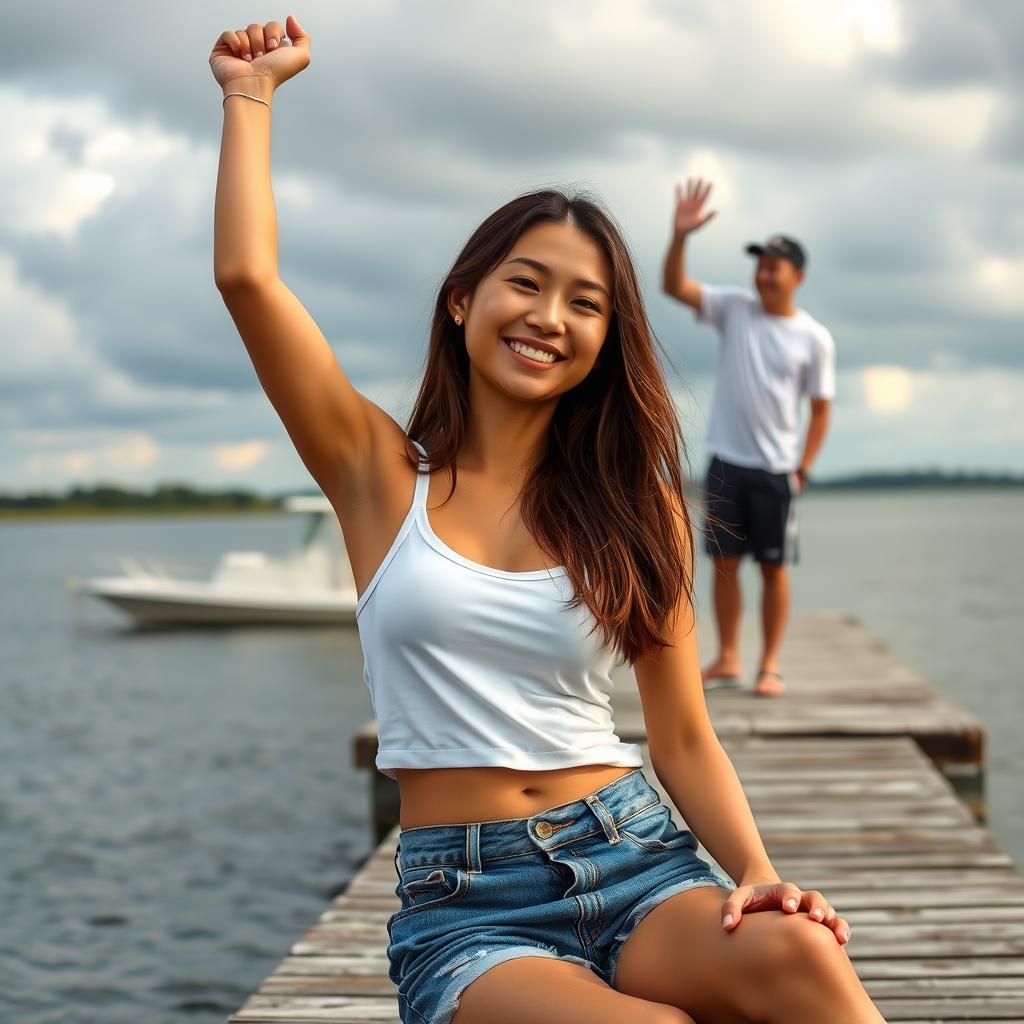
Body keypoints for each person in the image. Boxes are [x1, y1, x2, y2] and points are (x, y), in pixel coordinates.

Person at [209, 20, 882, 1024]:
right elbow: (248, 281)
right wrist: (248, 95)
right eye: (525, 282)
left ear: (606, 340)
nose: (549, 317)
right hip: (468, 905)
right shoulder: (377, 473)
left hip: (636, 856)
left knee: (804, 961)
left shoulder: (635, 504)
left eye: (585, 302)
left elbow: (682, 733)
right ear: (460, 299)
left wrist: (753, 870)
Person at [662, 178, 836, 698]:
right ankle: (729, 657)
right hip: (726, 462)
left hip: (777, 469)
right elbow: (675, 286)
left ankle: (771, 663)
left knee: (774, 568)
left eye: (773, 265)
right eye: (758, 264)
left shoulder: (814, 337)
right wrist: (679, 238)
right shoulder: (735, 308)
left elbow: (821, 411)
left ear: (797, 276)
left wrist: (802, 468)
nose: (762, 273)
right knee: (724, 565)